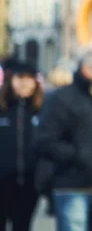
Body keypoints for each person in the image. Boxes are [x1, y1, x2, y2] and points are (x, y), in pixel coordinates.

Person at [34, 49, 92, 231]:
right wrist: (78, 156)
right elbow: (44, 140)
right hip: (73, 188)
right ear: (87, 70)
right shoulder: (62, 99)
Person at [0, 60, 44, 231]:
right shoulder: (3, 109)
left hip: (30, 182)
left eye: (29, 78)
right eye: (20, 78)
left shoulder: (42, 110)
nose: (24, 83)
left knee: (23, 225)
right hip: (2, 180)